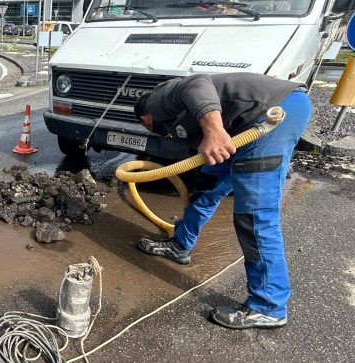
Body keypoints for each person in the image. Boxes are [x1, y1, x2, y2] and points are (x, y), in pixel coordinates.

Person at [133, 73, 312, 330]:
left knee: (254, 215)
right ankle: (180, 246)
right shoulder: (172, 120)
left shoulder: (158, 100)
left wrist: (214, 131)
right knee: (206, 187)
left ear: (144, 119)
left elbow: (197, 82)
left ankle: (268, 306)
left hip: (273, 115)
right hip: (242, 129)